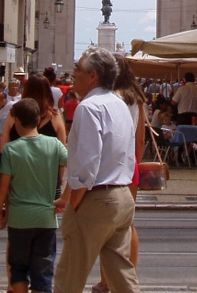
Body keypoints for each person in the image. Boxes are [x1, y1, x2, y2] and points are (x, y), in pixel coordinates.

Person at [53, 47, 139, 293]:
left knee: (70, 274)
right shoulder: (120, 105)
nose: (73, 74)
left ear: (93, 75)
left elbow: (88, 161)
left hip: (95, 196)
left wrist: (75, 201)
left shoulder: (89, 107)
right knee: (121, 273)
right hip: (121, 194)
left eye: (78, 69)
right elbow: (128, 151)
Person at [0, 99, 68, 293]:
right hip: (46, 218)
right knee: (43, 273)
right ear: (38, 120)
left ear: (17, 121)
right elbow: (75, 166)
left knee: (18, 269)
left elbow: (3, 186)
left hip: (19, 219)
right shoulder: (54, 145)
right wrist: (66, 196)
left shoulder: (11, 149)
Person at [92, 55, 149, 293]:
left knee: (106, 227)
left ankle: (106, 281)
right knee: (128, 223)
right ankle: (128, 276)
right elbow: (141, 137)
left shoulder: (108, 99)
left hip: (110, 165)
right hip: (131, 164)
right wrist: (135, 161)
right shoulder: (137, 99)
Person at [1, 74, 67, 148]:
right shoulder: (55, 117)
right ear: (48, 93)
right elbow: (62, 150)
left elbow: (3, 147)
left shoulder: (14, 114)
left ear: (26, 91)